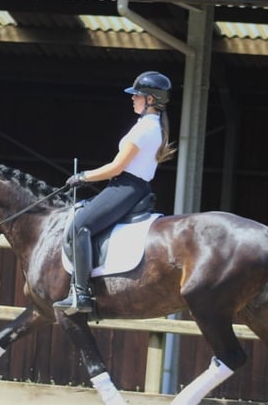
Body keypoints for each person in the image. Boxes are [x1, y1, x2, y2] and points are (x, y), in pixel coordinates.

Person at [53, 71, 177, 314]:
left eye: (138, 96)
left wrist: (83, 177)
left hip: (127, 186)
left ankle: (81, 293)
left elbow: (117, 167)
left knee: (80, 227)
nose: (133, 99)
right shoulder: (149, 126)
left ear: (150, 100)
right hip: (131, 186)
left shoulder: (145, 130)